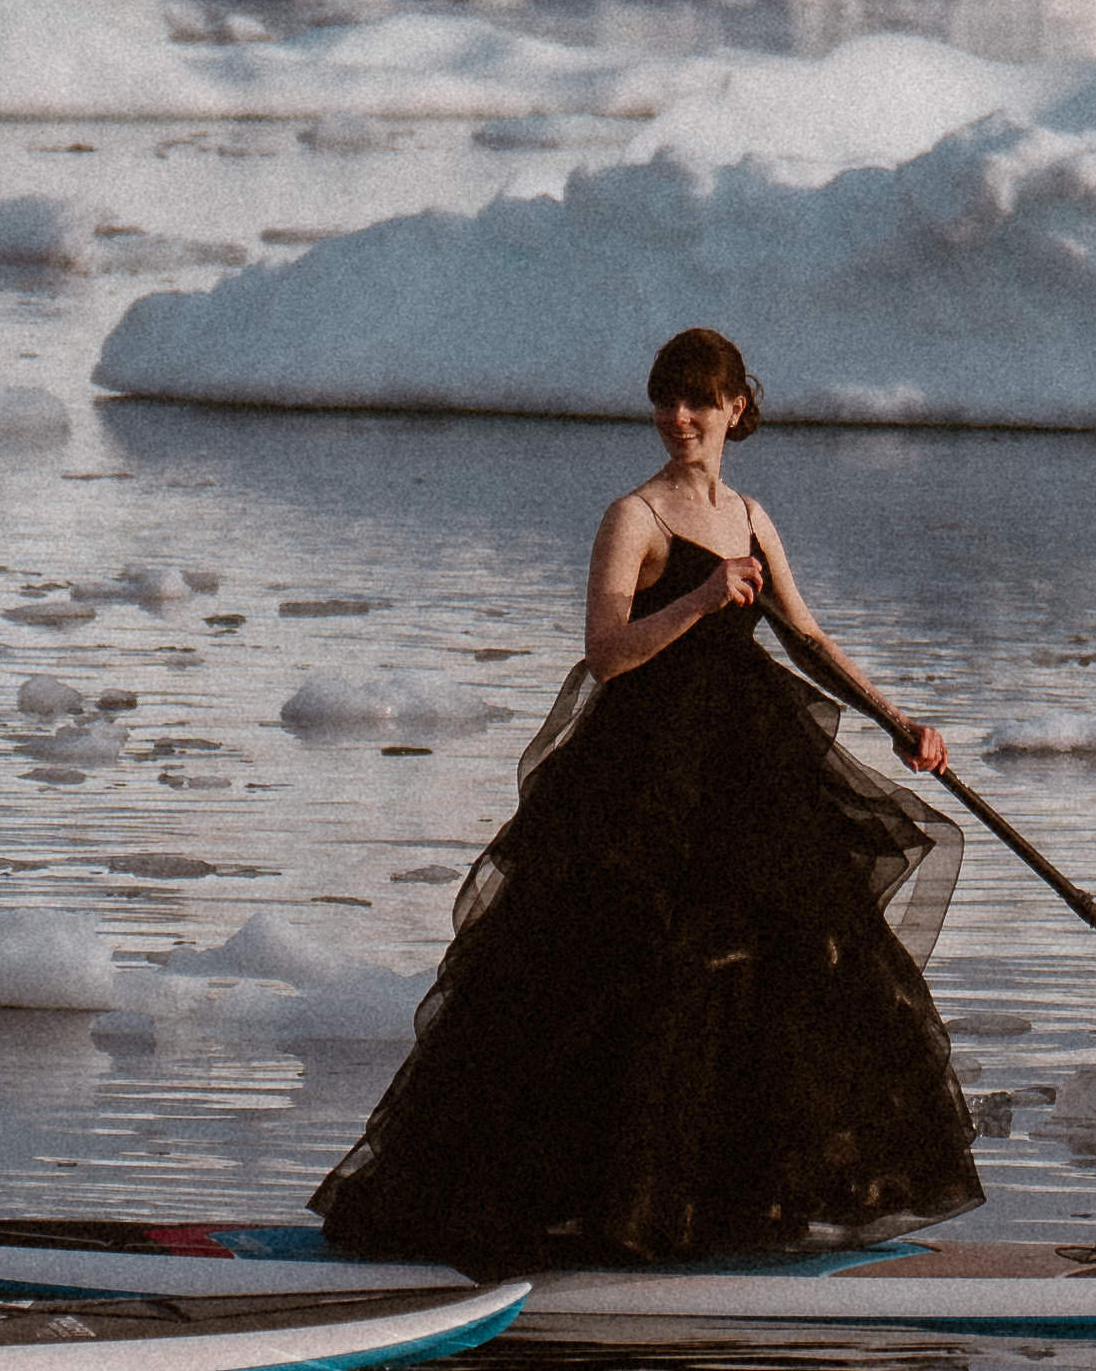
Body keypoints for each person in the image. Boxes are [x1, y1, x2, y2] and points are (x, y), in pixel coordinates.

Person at [309, 326, 979, 1275]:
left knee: (765, 979)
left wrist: (897, 721)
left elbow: (806, 636)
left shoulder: (750, 513)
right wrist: (703, 599)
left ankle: (733, 1213)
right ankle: (591, 1218)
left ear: (736, 408)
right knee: (618, 983)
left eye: (699, 402)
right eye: (665, 400)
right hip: (641, 780)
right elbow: (606, 653)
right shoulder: (634, 517)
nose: (678, 419)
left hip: (745, 773)